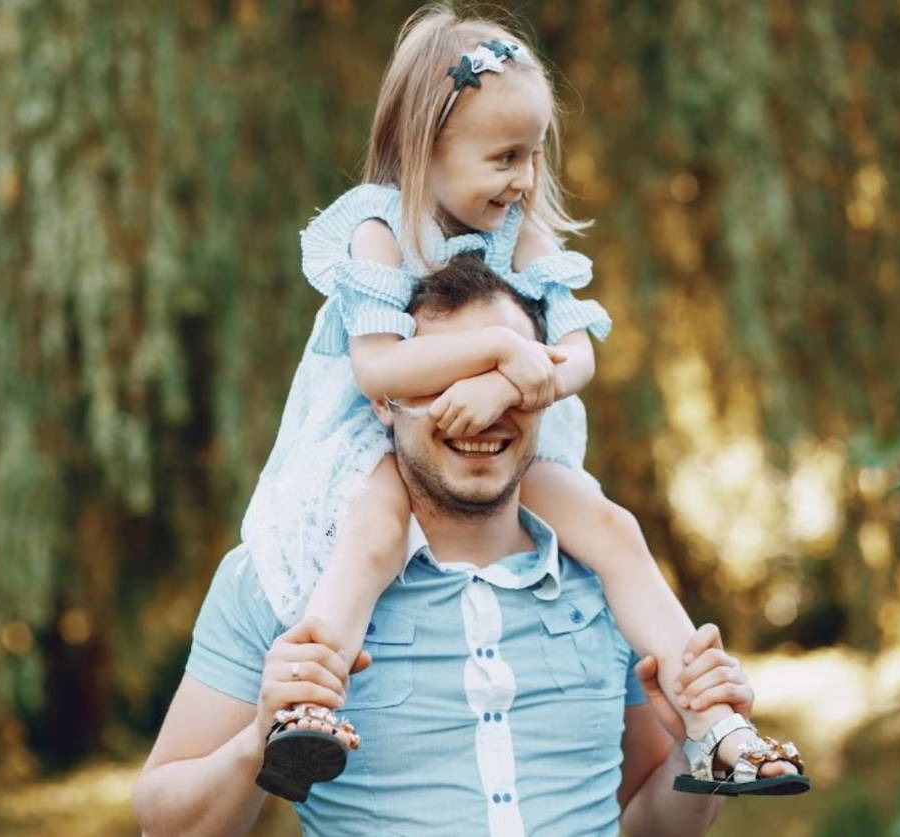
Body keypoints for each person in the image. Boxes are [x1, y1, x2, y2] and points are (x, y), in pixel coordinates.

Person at [233, 4, 807, 802]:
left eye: (534, 154)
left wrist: (508, 385)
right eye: (505, 157)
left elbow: (579, 356)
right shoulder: (378, 230)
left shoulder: (522, 234)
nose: (526, 179)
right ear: (425, 146)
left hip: (500, 440)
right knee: (369, 537)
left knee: (612, 527)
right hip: (382, 440)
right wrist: (503, 350)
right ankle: (307, 706)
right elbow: (379, 368)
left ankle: (714, 724)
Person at [133, 260, 761, 835]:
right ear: (383, 399)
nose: (481, 411)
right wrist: (258, 739)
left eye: (507, 380)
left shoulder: (611, 583)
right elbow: (164, 827)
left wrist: (692, 752)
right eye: (445, 381)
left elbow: (649, 828)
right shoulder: (283, 576)